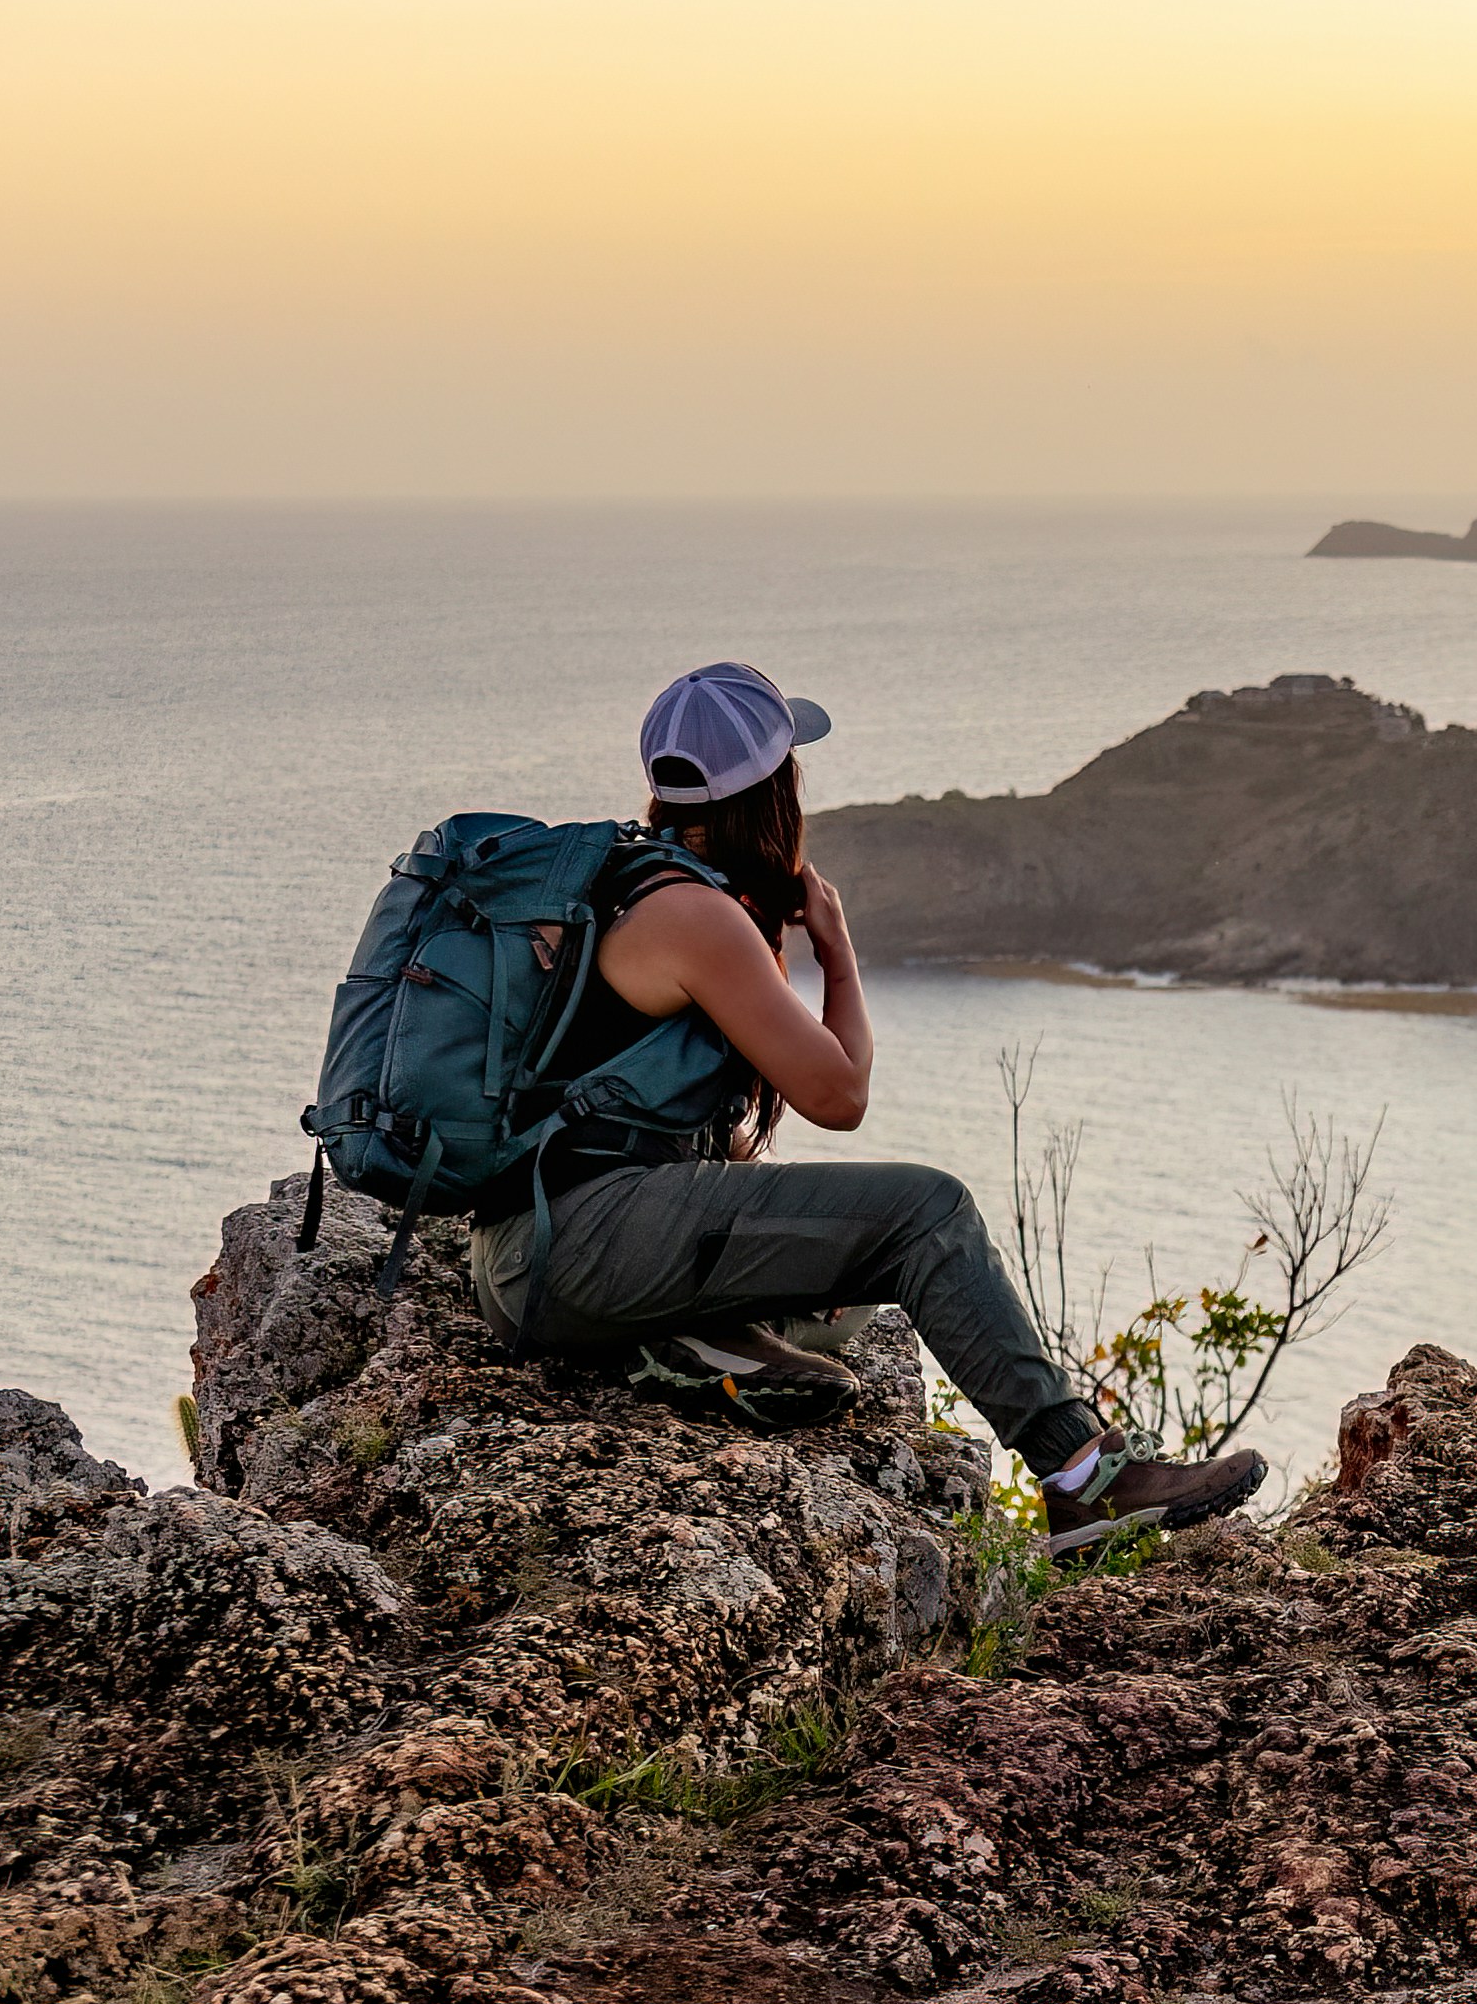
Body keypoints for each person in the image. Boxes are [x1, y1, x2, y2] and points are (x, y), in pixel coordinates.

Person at [463, 657, 1266, 1549]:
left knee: (861, 1291)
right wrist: (837, 954)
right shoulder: (697, 918)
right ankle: (1083, 1474)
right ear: (775, 789)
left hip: (534, 1257)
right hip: (573, 1250)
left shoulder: (628, 881)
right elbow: (840, 1096)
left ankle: (673, 1346)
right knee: (928, 1218)